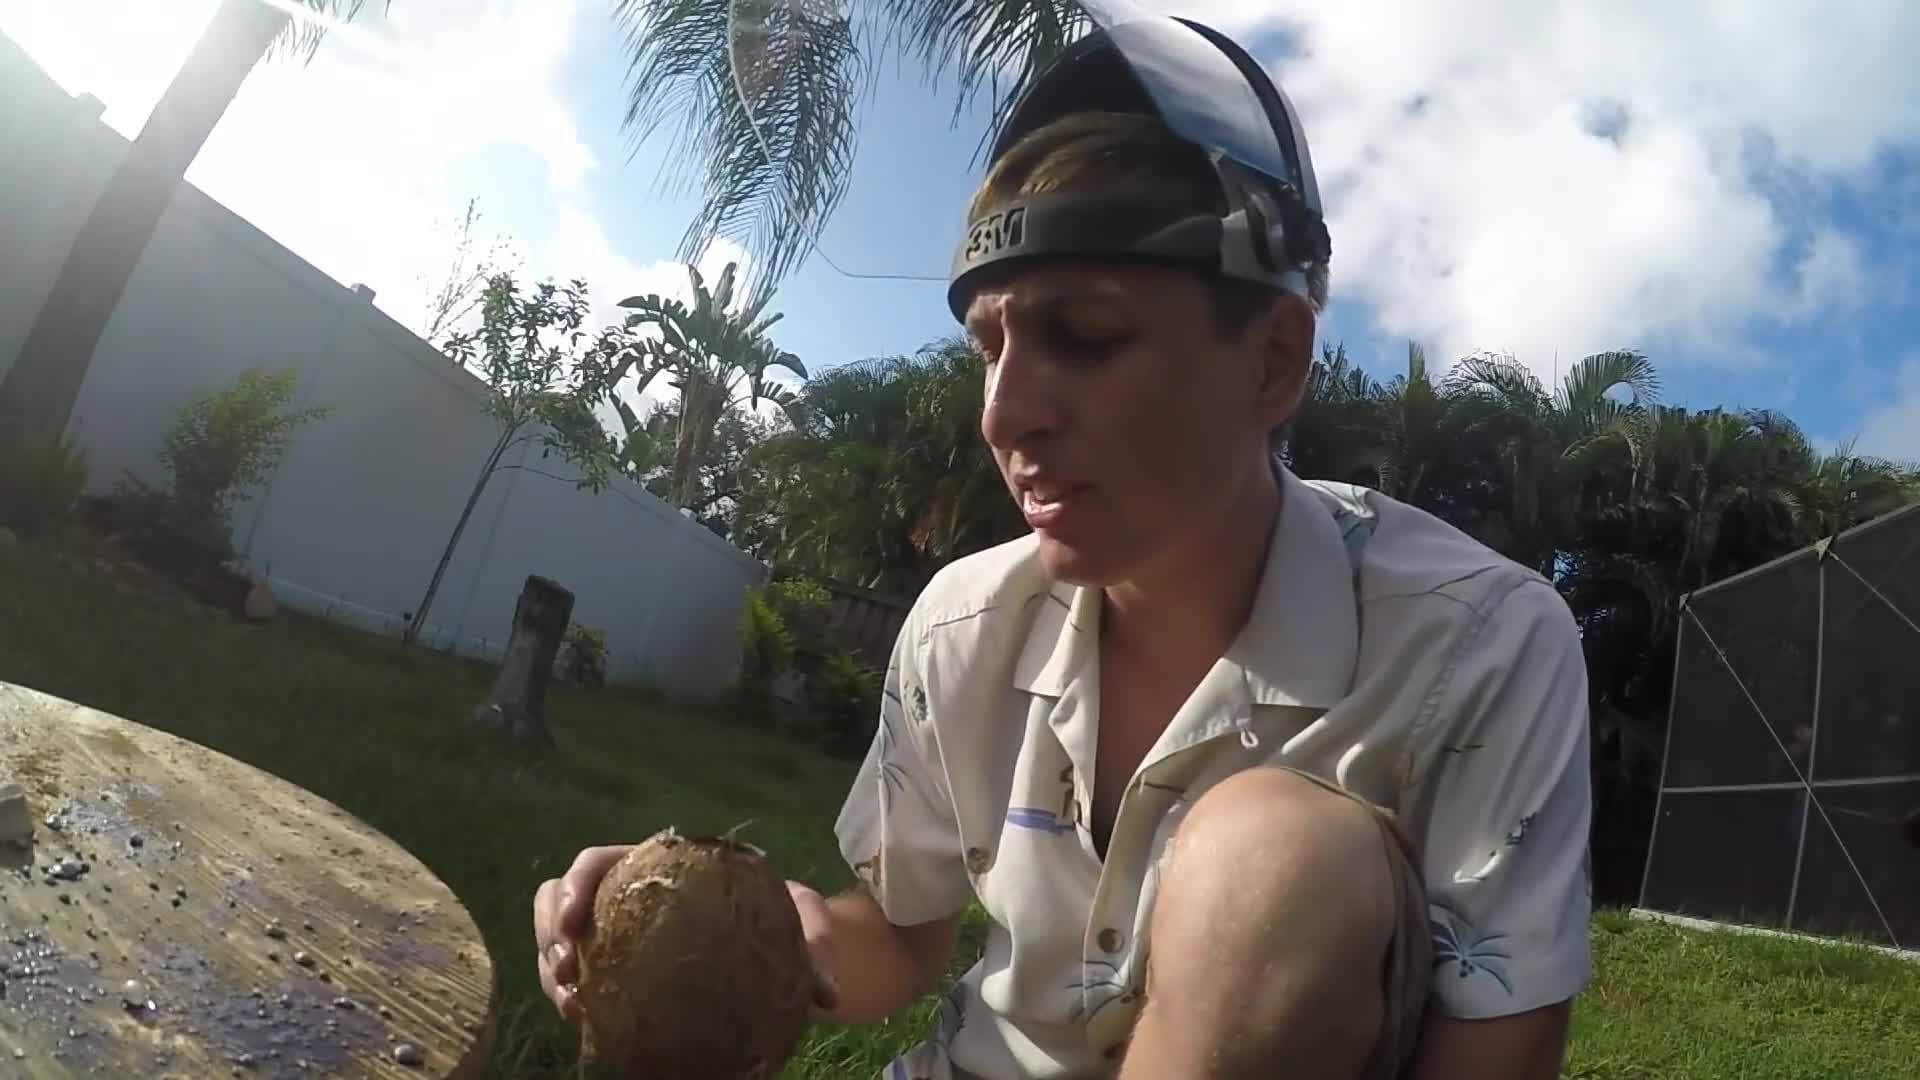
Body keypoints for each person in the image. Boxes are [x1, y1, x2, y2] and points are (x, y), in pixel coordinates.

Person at [533, 6, 1593, 1078]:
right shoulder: (962, 628)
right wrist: (732, 925)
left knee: (1278, 869)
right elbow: (898, 938)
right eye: (987, 350)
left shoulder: (1479, 651)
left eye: (1083, 336)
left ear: (1274, 363)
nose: (1003, 416)